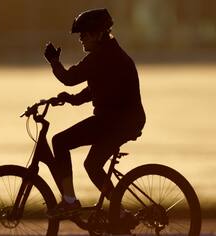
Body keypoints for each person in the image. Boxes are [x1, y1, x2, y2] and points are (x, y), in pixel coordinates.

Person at [44, 8, 145, 219]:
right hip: (120, 121)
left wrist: (54, 61)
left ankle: (70, 201)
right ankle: (120, 213)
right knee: (92, 165)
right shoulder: (110, 55)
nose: (81, 39)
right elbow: (95, 90)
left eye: (85, 34)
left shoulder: (102, 57)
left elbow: (70, 78)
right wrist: (69, 99)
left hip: (115, 122)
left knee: (60, 142)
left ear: (99, 34)